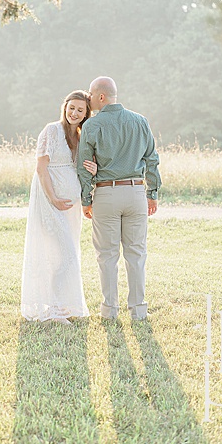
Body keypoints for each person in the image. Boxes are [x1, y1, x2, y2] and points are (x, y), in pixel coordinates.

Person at [76, 76, 161, 321]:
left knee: (107, 255)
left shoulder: (92, 126)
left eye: (91, 95)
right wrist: (152, 193)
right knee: (136, 254)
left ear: (101, 97)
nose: (89, 99)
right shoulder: (140, 121)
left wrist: (86, 198)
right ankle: (138, 310)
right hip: (136, 192)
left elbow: (84, 166)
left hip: (106, 193)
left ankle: (109, 311)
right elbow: (152, 160)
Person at [20, 90, 95, 322]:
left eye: (80, 110)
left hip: (70, 208)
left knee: (66, 253)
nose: (74, 113)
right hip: (49, 201)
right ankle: (52, 308)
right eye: (71, 107)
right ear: (64, 108)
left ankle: (63, 306)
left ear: (86, 114)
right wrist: (53, 198)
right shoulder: (51, 130)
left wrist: (94, 170)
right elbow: (41, 169)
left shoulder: (81, 136)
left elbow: (80, 169)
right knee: (65, 253)